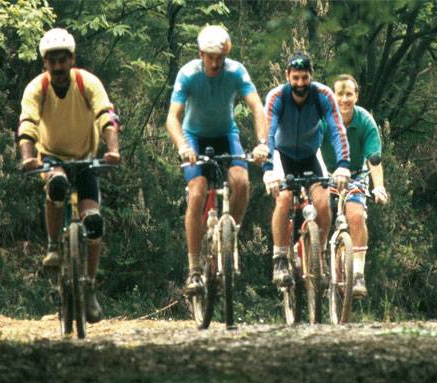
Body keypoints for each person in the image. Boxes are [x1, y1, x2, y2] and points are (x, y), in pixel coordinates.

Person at [17, 28, 121, 323]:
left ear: (72, 59)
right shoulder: (36, 88)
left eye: (63, 60)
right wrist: (27, 158)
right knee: (58, 185)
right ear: (44, 64)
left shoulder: (87, 83)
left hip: (86, 157)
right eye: (53, 62)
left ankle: (88, 287)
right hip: (51, 157)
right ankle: (52, 245)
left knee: (95, 223)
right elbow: (27, 124)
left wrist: (112, 149)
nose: (59, 67)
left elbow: (107, 116)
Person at [165, 25, 269, 295]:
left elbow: (257, 106)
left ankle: (230, 234)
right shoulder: (188, 74)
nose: (214, 63)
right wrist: (182, 147)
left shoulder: (236, 72)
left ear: (226, 54)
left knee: (242, 183)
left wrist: (261, 143)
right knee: (197, 191)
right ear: (200, 54)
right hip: (194, 137)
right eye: (209, 57)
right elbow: (172, 118)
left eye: (219, 57)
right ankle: (194, 270)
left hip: (225, 134)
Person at [262, 53, 351, 286]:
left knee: (323, 202)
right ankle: (280, 257)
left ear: (311, 76)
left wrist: (343, 165)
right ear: (287, 76)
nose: (300, 83)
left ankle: (317, 256)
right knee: (283, 199)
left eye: (305, 78)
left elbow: (337, 130)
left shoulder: (322, 95)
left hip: (311, 155)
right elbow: (267, 134)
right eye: (296, 78)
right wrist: (268, 169)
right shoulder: (276, 97)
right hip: (283, 155)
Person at [318, 74, 389, 299]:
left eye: (349, 94)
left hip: (356, 175)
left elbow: (374, 159)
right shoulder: (323, 120)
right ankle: (315, 261)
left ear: (356, 96)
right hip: (325, 173)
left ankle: (357, 274)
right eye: (340, 94)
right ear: (333, 96)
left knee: (356, 215)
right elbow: (311, 148)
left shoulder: (365, 121)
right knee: (319, 212)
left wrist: (379, 187)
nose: (345, 99)